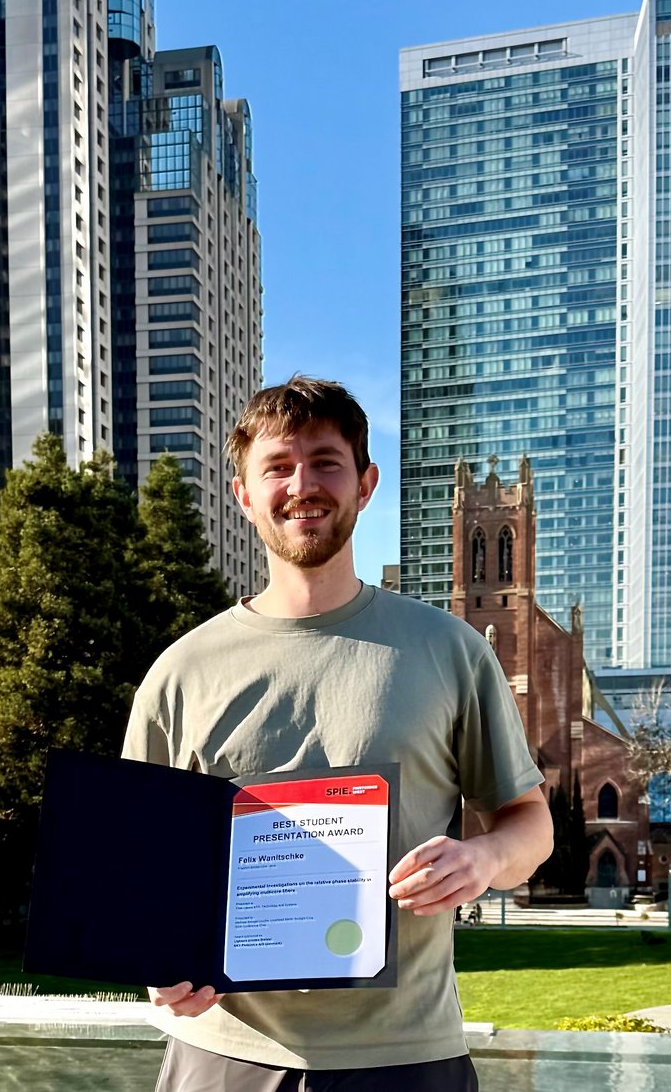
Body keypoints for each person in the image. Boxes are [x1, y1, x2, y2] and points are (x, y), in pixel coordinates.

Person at [123, 376, 552, 1090]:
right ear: (244, 494)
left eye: (326, 461)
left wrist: (481, 861)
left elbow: (529, 823)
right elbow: (135, 867)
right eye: (278, 466)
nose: (302, 484)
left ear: (364, 483)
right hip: (223, 1052)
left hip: (406, 1056)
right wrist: (153, 961)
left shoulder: (448, 650)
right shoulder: (180, 672)